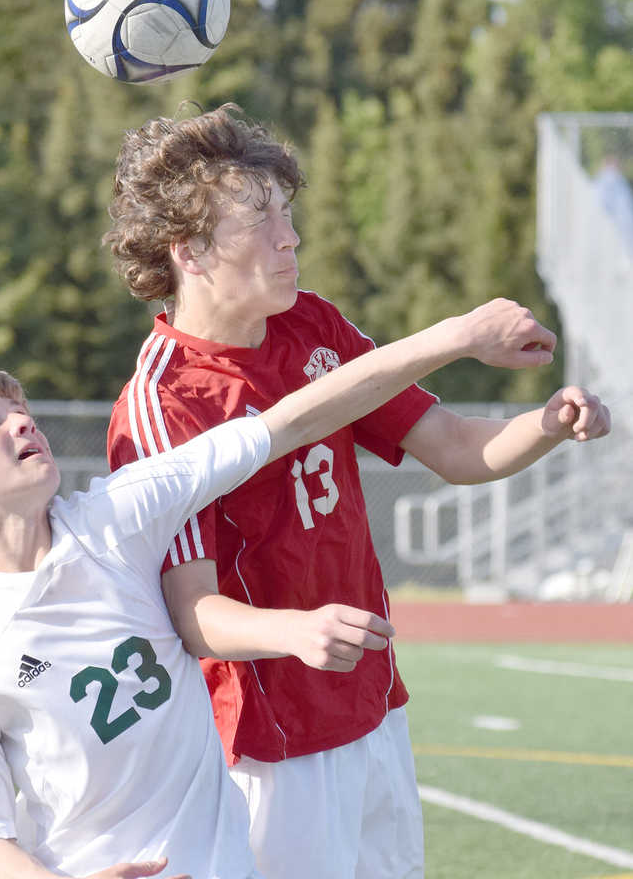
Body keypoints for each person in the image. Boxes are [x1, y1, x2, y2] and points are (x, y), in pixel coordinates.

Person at [0, 320, 583, 879]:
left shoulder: (121, 520)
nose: (22, 422)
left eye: (19, 408)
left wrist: (452, 338)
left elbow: (291, 422)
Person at [105, 104, 611, 879]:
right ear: (191, 252)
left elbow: (453, 448)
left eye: (287, 213)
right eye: (260, 220)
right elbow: (193, 614)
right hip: (270, 746)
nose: (290, 237)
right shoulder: (162, 402)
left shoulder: (313, 326)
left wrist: (544, 423)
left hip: (372, 708)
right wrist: (295, 630)